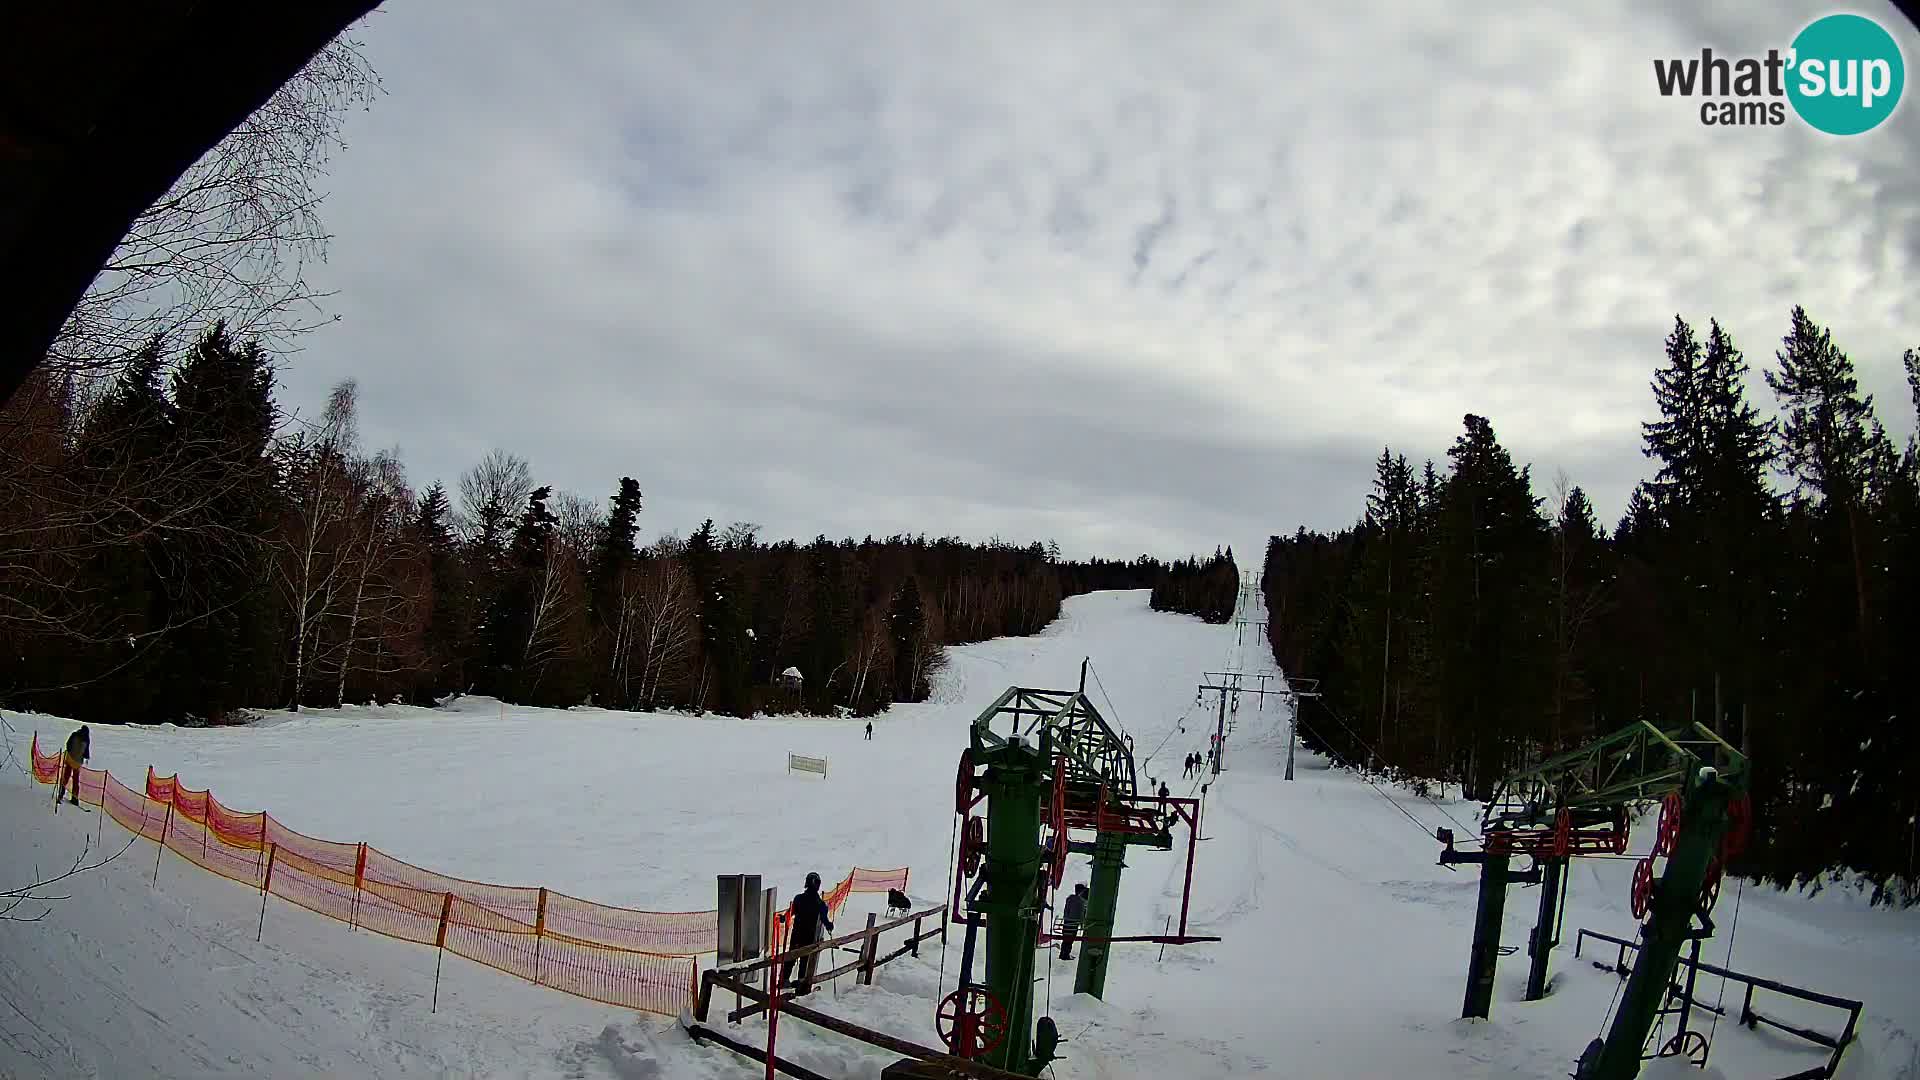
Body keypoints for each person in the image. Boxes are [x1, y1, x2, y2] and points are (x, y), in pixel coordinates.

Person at [781, 872, 835, 994]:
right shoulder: (821, 904)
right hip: (810, 937)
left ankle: (784, 980)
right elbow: (824, 920)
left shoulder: (798, 899)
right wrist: (830, 926)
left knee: (792, 957)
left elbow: (790, 913)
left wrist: (783, 918)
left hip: (796, 935)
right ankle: (801, 983)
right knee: (805, 959)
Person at [53, 725, 88, 808]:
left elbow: (68, 744)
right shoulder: (85, 739)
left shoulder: (74, 735)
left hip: (69, 759)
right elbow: (85, 752)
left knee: (66, 777)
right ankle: (74, 799)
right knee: (76, 781)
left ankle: (61, 795)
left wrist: (70, 753)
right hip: (77, 763)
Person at [1058, 883, 1089, 960]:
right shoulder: (1081, 902)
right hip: (1073, 923)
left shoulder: (1070, 898)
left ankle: (1062, 954)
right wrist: (1082, 923)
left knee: (1065, 939)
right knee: (1070, 940)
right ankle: (1065, 955)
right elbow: (1080, 914)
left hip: (1066, 921)